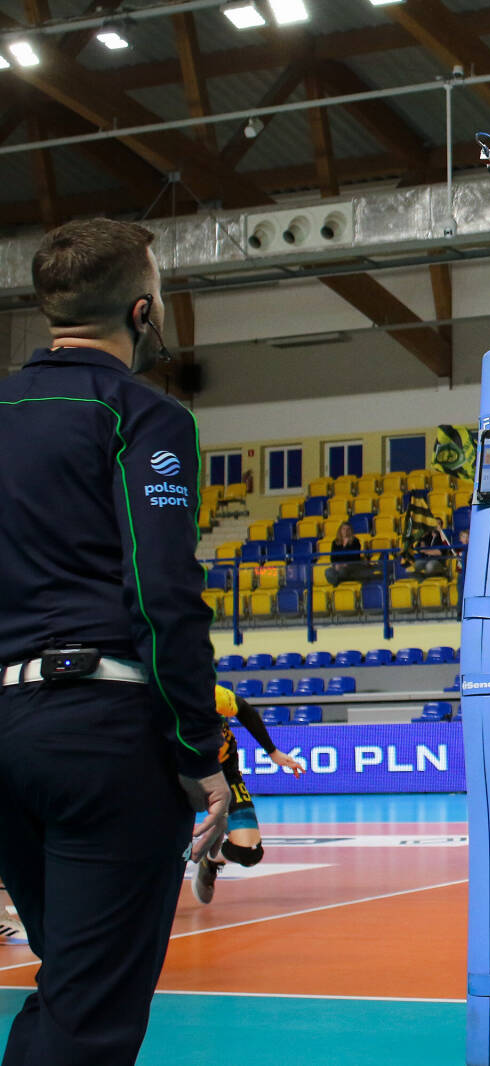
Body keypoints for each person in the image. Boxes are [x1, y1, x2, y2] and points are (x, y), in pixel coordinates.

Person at [0, 218, 230, 1063]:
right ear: (142, 312)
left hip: (5, 729)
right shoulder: (143, 415)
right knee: (90, 1013)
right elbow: (161, 591)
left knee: (70, 988)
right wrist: (198, 749)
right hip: (100, 733)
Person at [191, 685, 307, 903]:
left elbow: (244, 709)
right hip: (177, 773)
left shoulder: (211, 693)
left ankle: (211, 859)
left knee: (249, 852)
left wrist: (272, 751)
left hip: (224, 770)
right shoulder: (156, 702)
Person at [326, 521, 379, 585]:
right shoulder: (335, 542)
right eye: (343, 529)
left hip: (351, 565)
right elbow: (333, 558)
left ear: (351, 531)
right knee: (328, 571)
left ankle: (340, 583)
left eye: (348, 529)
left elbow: (355, 557)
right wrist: (336, 564)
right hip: (338, 567)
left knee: (342, 571)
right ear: (340, 530)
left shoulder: (355, 541)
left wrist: (343, 564)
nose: (345, 531)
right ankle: (339, 582)